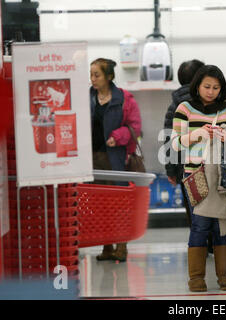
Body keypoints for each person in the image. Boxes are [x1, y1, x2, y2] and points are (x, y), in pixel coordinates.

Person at [172, 65, 226, 292]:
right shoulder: (185, 108)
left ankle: (225, 276)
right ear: (197, 86)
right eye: (207, 86)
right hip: (195, 174)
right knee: (200, 225)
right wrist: (196, 134)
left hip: (224, 175)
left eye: (216, 87)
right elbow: (175, 143)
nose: (211, 91)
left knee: (223, 225)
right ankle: (196, 277)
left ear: (222, 88)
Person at [90, 58, 142, 262]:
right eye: (91, 74)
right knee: (99, 205)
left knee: (118, 203)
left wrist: (118, 137)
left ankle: (121, 245)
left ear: (109, 76)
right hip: (92, 158)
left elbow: (135, 128)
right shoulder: (87, 97)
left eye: (97, 75)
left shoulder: (124, 99)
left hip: (115, 158)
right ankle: (106, 247)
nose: (92, 79)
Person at [163, 59, 216, 254]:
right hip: (212, 165)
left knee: (194, 212)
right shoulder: (212, 102)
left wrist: (171, 170)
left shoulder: (175, 106)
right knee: (214, 207)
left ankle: (199, 250)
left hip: (187, 170)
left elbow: (169, 141)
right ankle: (215, 245)